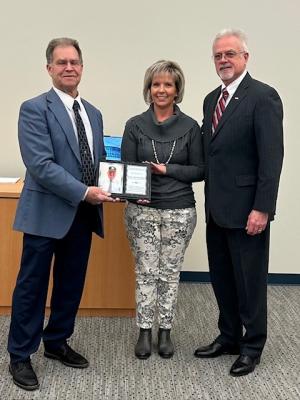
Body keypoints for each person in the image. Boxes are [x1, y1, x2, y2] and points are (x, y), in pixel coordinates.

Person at [8, 37, 116, 391]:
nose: (69, 67)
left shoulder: (94, 113)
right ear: (49, 68)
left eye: (75, 62)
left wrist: (122, 181)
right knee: (32, 287)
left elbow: (99, 162)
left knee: (71, 284)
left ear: (82, 67)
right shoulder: (34, 108)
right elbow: (40, 165)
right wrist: (86, 192)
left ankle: (56, 342)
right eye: (61, 62)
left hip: (82, 216)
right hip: (46, 214)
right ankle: (20, 355)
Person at [194, 29, 284, 376]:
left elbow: (271, 158)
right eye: (218, 56)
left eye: (230, 54)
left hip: (249, 211)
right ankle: (228, 336)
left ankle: (252, 345)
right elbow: (210, 155)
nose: (223, 61)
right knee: (223, 278)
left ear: (245, 57)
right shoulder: (209, 100)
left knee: (249, 281)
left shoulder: (263, 97)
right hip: (217, 210)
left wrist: (262, 208)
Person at [121, 60, 204, 359]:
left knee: (169, 273)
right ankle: (144, 331)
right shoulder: (134, 125)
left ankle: (165, 331)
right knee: (145, 271)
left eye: (168, 84)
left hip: (179, 210)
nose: (161, 90)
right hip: (141, 210)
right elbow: (127, 169)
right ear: (148, 88)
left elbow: (199, 170)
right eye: (156, 84)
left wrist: (167, 170)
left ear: (177, 89)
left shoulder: (192, 127)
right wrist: (135, 195)